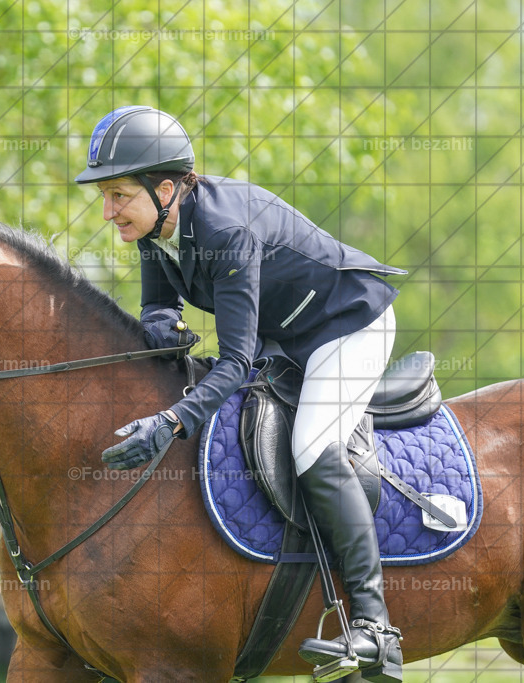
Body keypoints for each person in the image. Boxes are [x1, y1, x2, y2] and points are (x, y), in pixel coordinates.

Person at [76, 106, 405, 682]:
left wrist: (171, 422)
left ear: (166, 190)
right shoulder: (155, 225)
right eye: (105, 195)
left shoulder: (227, 232)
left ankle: (376, 629)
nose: (108, 212)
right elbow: (159, 302)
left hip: (348, 326)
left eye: (118, 195)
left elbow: (235, 361)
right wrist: (158, 321)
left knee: (312, 447)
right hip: (288, 336)